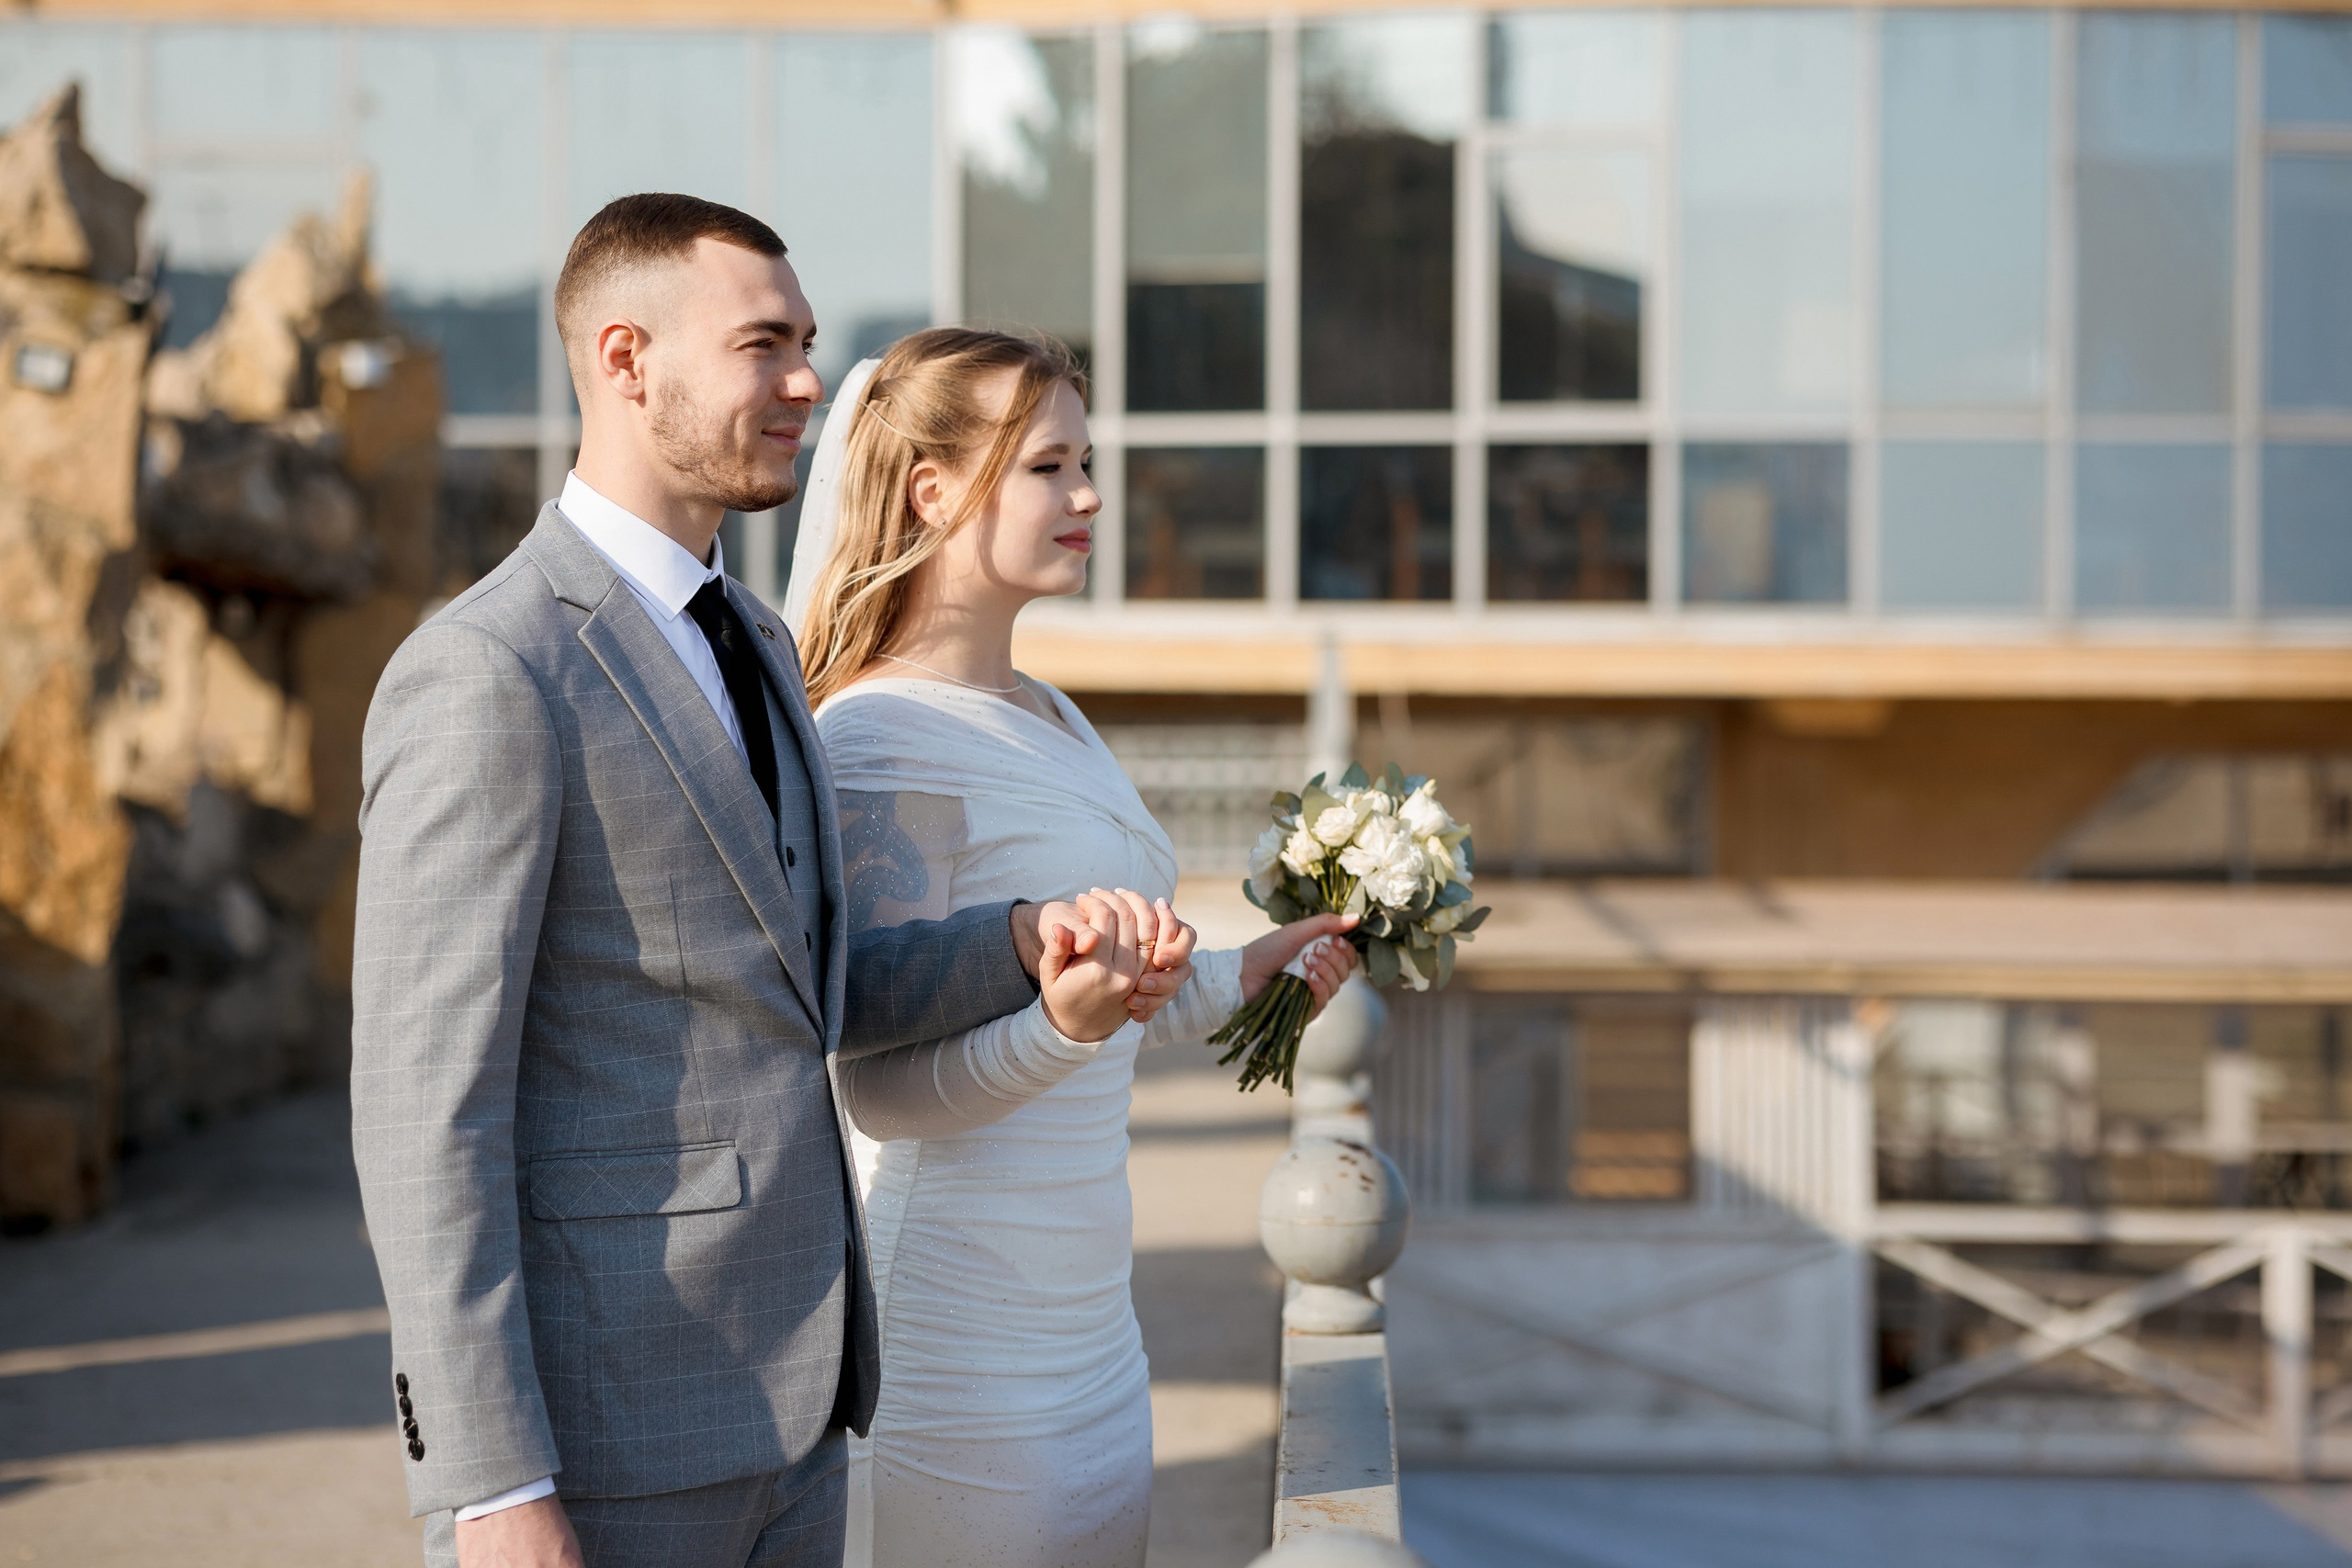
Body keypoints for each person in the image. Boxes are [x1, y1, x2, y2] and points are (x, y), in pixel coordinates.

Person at [349, 194, 1182, 1568]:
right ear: (626, 360)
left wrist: (1025, 937)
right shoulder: (488, 673)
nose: (808, 380)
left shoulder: (750, 638)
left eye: (804, 340)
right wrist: (491, 1484)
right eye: (763, 344)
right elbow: (423, 1116)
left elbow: (812, 987)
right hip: (604, 1444)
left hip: (798, 1425)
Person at [788, 326, 1360, 1568]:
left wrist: (1238, 977)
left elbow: (1107, 997)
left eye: (1085, 462)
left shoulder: (1051, 711)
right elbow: (874, 1085)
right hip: (959, 1341)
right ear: (933, 492)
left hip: (1091, 1332)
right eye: (1050, 465)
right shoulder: (879, 742)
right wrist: (1059, 1031)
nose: (1091, 495)